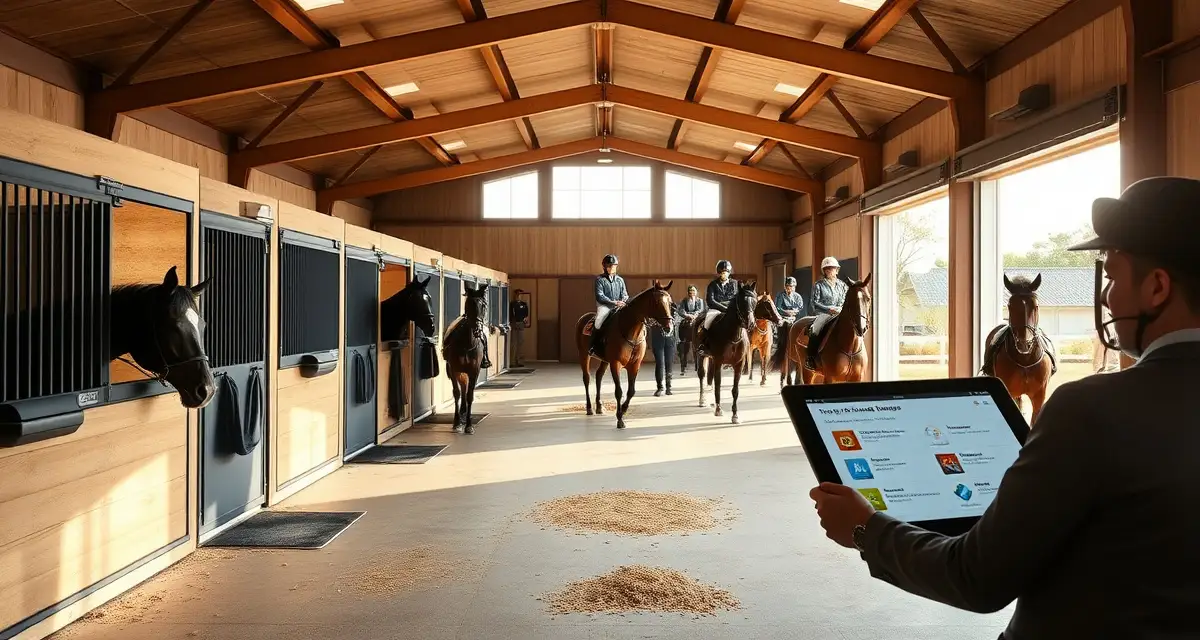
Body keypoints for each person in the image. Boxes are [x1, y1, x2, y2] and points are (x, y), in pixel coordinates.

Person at [807, 176, 1200, 639]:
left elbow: (976, 577)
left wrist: (865, 529)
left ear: (1157, 288)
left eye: (1112, 276)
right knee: (817, 330)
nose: (1107, 296)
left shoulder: (1090, 408)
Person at [806, 256, 849, 370]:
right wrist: (829, 309)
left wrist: (840, 308)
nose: (830, 271)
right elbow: (814, 302)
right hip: (824, 313)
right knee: (815, 329)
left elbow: (846, 300)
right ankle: (810, 358)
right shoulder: (818, 285)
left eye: (832, 268)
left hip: (839, 313)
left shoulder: (843, 285)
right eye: (827, 269)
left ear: (837, 270)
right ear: (824, 271)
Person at [590, 254, 628, 357]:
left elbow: (625, 294)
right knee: (598, 322)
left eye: (614, 266)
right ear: (604, 267)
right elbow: (600, 296)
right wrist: (614, 302)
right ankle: (593, 346)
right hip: (605, 306)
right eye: (609, 266)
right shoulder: (600, 280)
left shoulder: (620, 280)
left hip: (619, 306)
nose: (612, 268)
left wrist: (622, 300)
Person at [697, 260, 737, 355]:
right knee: (707, 321)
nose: (724, 274)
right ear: (719, 273)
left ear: (729, 272)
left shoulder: (735, 284)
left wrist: (729, 307)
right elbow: (711, 301)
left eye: (726, 272)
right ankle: (704, 344)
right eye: (722, 272)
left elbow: (735, 298)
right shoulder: (712, 284)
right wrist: (724, 308)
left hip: (731, 309)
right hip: (716, 309)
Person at [651, 304, 676, 396]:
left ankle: (668, 387)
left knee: (669, 363)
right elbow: (650, 322)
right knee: (660, 363)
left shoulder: (673, 307)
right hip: (658, 338)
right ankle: (660, 387)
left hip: (670, 339)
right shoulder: (654, 310)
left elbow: (676, 319)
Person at [775, 276, 804, 344]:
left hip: (795, 317)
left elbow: (800, 307)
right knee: (782, 331)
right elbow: (777, 308)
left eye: (791, 286)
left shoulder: (798, 296)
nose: (789, 288)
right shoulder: (780, 295)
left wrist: (794, 311)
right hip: (782, 317)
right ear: (785, 286)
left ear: (794, 287)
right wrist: (786, 312)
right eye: (787, 286)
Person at [510, 289, 530, 367]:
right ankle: (512, 361)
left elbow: (526, 315)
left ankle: (519, 361)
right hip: (514, 324)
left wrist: (525, 320)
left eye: (520, 294)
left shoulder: (524, 304)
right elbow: (511, 314)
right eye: (517, 294)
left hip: (521, 324)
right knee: (513, 343)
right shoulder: (512, 304)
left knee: (520, 343)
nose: (518, 296)